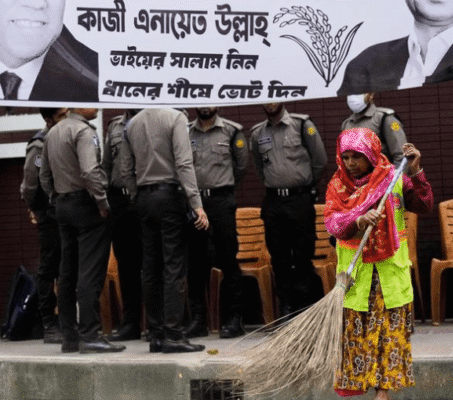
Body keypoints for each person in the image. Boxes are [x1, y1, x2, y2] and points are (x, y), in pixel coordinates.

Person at [323, 128, 433, 399]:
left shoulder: (394, 179)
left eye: (357, 156)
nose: (350, 163)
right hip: (357, 279)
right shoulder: (337, 186)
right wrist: (357, 220)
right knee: (360, 339)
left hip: (390, 275)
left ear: (371, 154)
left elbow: (424, 205)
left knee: (389, 335)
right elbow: (333, 223)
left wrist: (415, 172)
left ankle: (383, 393)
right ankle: (375, 391)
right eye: (345, 157)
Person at [120, 107, 210, 353]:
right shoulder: (176, 117)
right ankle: (173, 334)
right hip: (169, 197)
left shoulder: (131, 124)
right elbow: (184, 163)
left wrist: (136, 195)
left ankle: (156, 334)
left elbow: (125, 168)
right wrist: (196, 204)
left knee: (150, 267)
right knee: (174, 266)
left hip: (144, 198)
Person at [39, 108, 125, 354]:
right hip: (87, 204)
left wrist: (56, 198)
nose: (96, 107)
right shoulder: (83, 131)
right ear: (76, 106)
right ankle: (90, 335)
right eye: (91, 102)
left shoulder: (52, 133)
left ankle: (70, 336)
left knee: (67, 272)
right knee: (90, 272)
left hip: (63, 204)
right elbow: (89, 171)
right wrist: (102, 202)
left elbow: (44, 175)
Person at [249, 103, 328, 319]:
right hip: (274, 201)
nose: (270, 103)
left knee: (303, 254)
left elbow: (320, 160)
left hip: (299, 199)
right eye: (265, 99)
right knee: (279, 257)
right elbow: (259, 167)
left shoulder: (302, 125)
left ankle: (305, 308)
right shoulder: (257, 133)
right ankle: (286, 308)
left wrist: (305, 185)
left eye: (274, 98)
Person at [184, 106, 248, 339]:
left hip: (221, 201)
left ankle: (234, 319)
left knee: (228, 259)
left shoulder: (231, 131)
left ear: (217, 104)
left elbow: (241, 166)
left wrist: (223, 188)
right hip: (195, 203)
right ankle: (198, 320)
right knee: (195, 262)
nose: (205, 105)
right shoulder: (185, 131)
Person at [20, 107, 66, 344]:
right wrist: (36, 210)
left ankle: (68, 320)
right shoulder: (39, 144)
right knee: (48, 267)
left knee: (66, 266)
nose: (66, 118)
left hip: (66, 210)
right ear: (49, 120)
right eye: (61, 115)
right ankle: (49, 322)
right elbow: (30, 184)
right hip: (48, 213)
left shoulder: (67, 135)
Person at [102, 109, 143, 342]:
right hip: (120, 201)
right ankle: (131, 323)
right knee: (126, 265)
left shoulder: (151, 120)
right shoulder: (114, 126)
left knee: (152, 263)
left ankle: (157, 323)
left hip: (144, 198)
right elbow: (106, 165)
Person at [342, 93, 407, 167]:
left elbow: (401, 154)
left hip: (383, 172)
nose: (353, 97)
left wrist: (397, 173)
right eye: (350, 93)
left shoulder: (384, 118)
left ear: (370, 95)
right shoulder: (347, 124)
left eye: (359, 92)